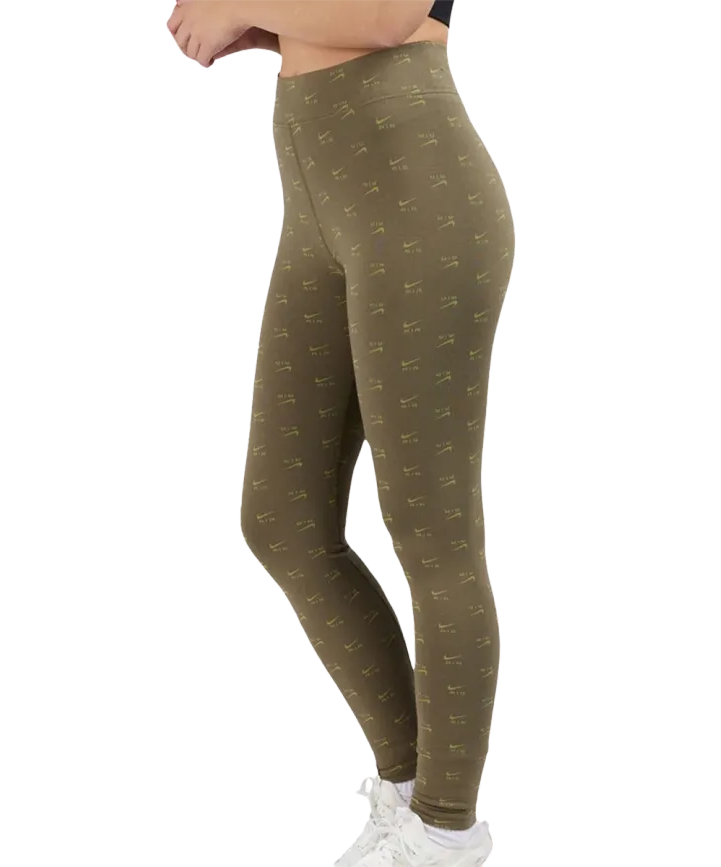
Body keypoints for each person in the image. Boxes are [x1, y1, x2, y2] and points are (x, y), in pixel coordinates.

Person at [168, 2, 515, 865]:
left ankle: (447, 829)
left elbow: (391, 15)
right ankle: (411, 791)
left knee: (430, 530)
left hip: (414, 185)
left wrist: (239, 3)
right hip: (324, 191)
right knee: (282, 519)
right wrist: (272, 30)